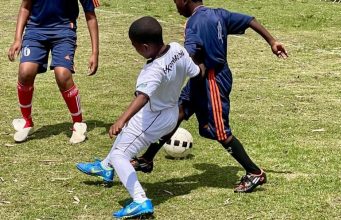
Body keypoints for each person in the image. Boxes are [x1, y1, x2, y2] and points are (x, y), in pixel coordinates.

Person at [131, 0, 289, 193]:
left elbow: (189, 52)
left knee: (220, 131)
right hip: (200, 78)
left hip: (212, 80)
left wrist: (164, 67)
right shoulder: (218, 14)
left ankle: (254, 172)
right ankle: (147, 159)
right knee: (178, 113)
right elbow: (249, 20)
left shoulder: (194, 23)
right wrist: (272, 41)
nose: (175, 6)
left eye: (175, 1)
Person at [76, 16, 202, 218]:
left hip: (153, 118)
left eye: (134, 46)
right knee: (126, 137)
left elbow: (142, 97)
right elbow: (195, 72)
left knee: (120, 156)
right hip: (168, 111)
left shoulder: (152, 70)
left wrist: (121, 119)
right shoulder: (178, 49)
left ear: (144, 47)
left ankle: (140, 200)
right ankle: (105, 168)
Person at [8, 0, 100, 144]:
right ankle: (27, 121)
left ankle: (78, 123)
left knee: (63, 75)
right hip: (35, 31)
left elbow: (90, 15)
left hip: (64, 31)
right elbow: (25, 7)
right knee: (25, 72)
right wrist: (17, 38)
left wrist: (95, 52)